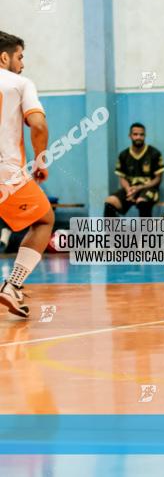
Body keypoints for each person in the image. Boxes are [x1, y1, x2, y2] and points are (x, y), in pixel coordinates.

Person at [0, 31, 54, 317]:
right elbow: (38, 125)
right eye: (20, 57)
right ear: (4, 57)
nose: (22, 64)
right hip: (6, 173)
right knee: (44, 220)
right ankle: (13, 284)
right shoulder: (20, 84)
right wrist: (40, 161)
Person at [104, 123, 164, 217]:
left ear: (145, 136)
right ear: (130, 136)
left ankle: (145, 231)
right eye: (135, 134)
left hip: (148, 189)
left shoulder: (154, 153)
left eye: (141, 134)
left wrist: (139, 188)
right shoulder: (123, 155)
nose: (138, 137)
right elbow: (122, 177)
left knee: (142, 202)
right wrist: (128, 189)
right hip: (130, 189)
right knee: (110, 202)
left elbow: (158, 178)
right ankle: (113, 231)